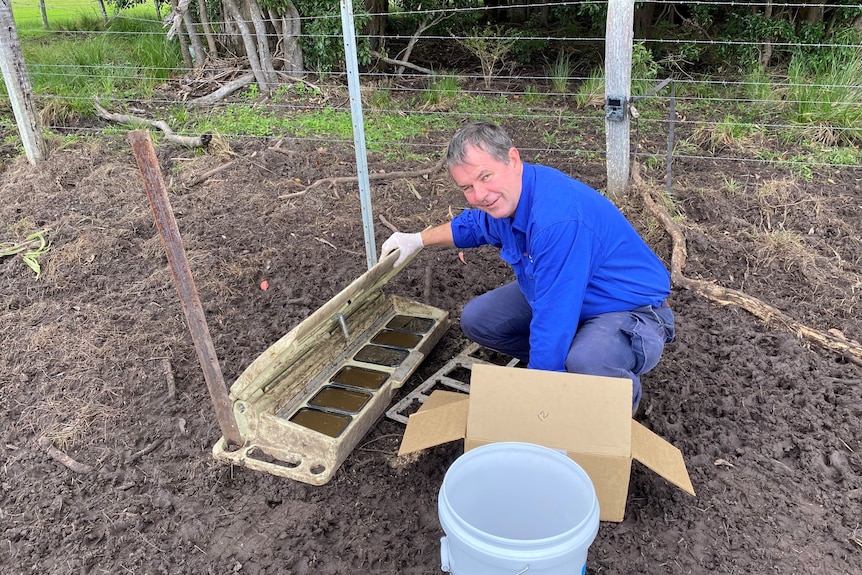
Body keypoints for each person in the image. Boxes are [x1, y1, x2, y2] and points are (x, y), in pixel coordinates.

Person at [380, 121, 674, 413]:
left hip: (627, 308)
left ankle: (615, 400)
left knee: (587, 359)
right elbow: (473, 226)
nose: (479, 195)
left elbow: (554, 316)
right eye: (467, 187)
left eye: (485, 177)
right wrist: (417, 240)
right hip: (569, 295)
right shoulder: (509, 197)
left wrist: (538, 398)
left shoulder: (556, 220)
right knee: (479, 318)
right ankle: (573, 359)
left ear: (513, 160)